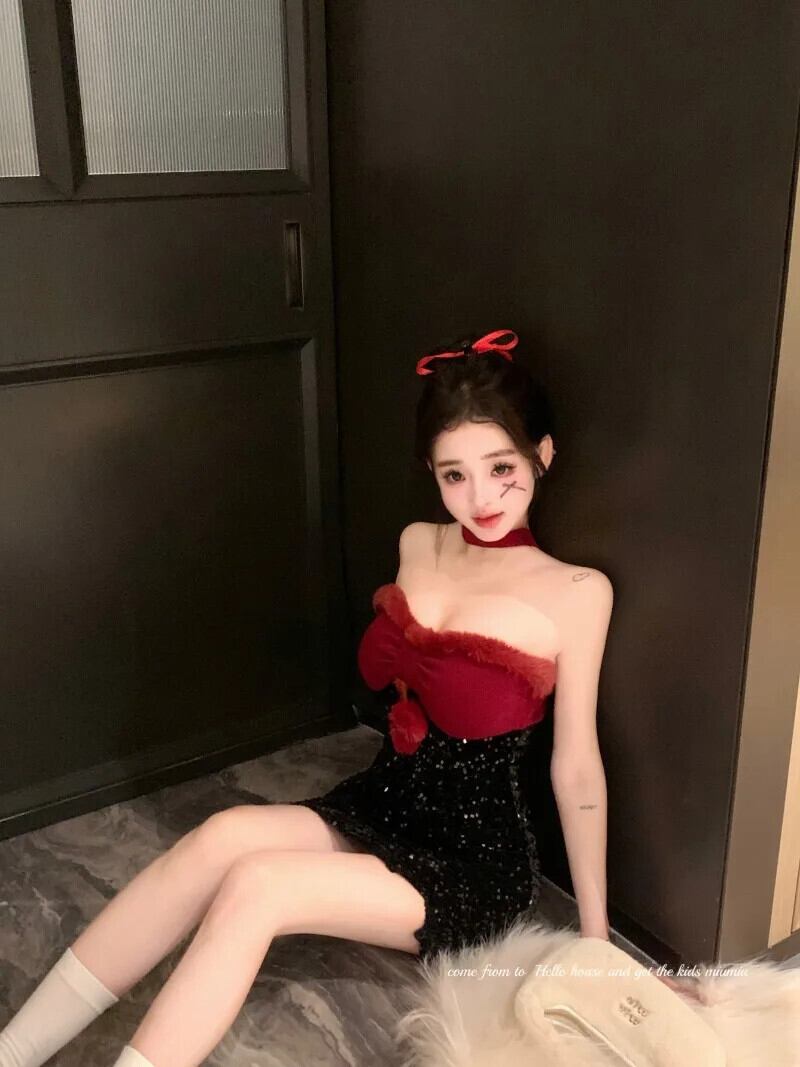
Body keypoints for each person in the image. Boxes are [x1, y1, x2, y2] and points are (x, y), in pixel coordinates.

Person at [0, 328, 615, 1067]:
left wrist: (597, 940)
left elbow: (576, 767)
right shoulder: (419, 544)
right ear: (431, 471)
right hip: (383, 801)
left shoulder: (575, 591)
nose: (480, 497)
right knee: (221, 836)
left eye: (502, 468)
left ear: (543, 455)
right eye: (455, 474)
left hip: (472, 860)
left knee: (260, 886)